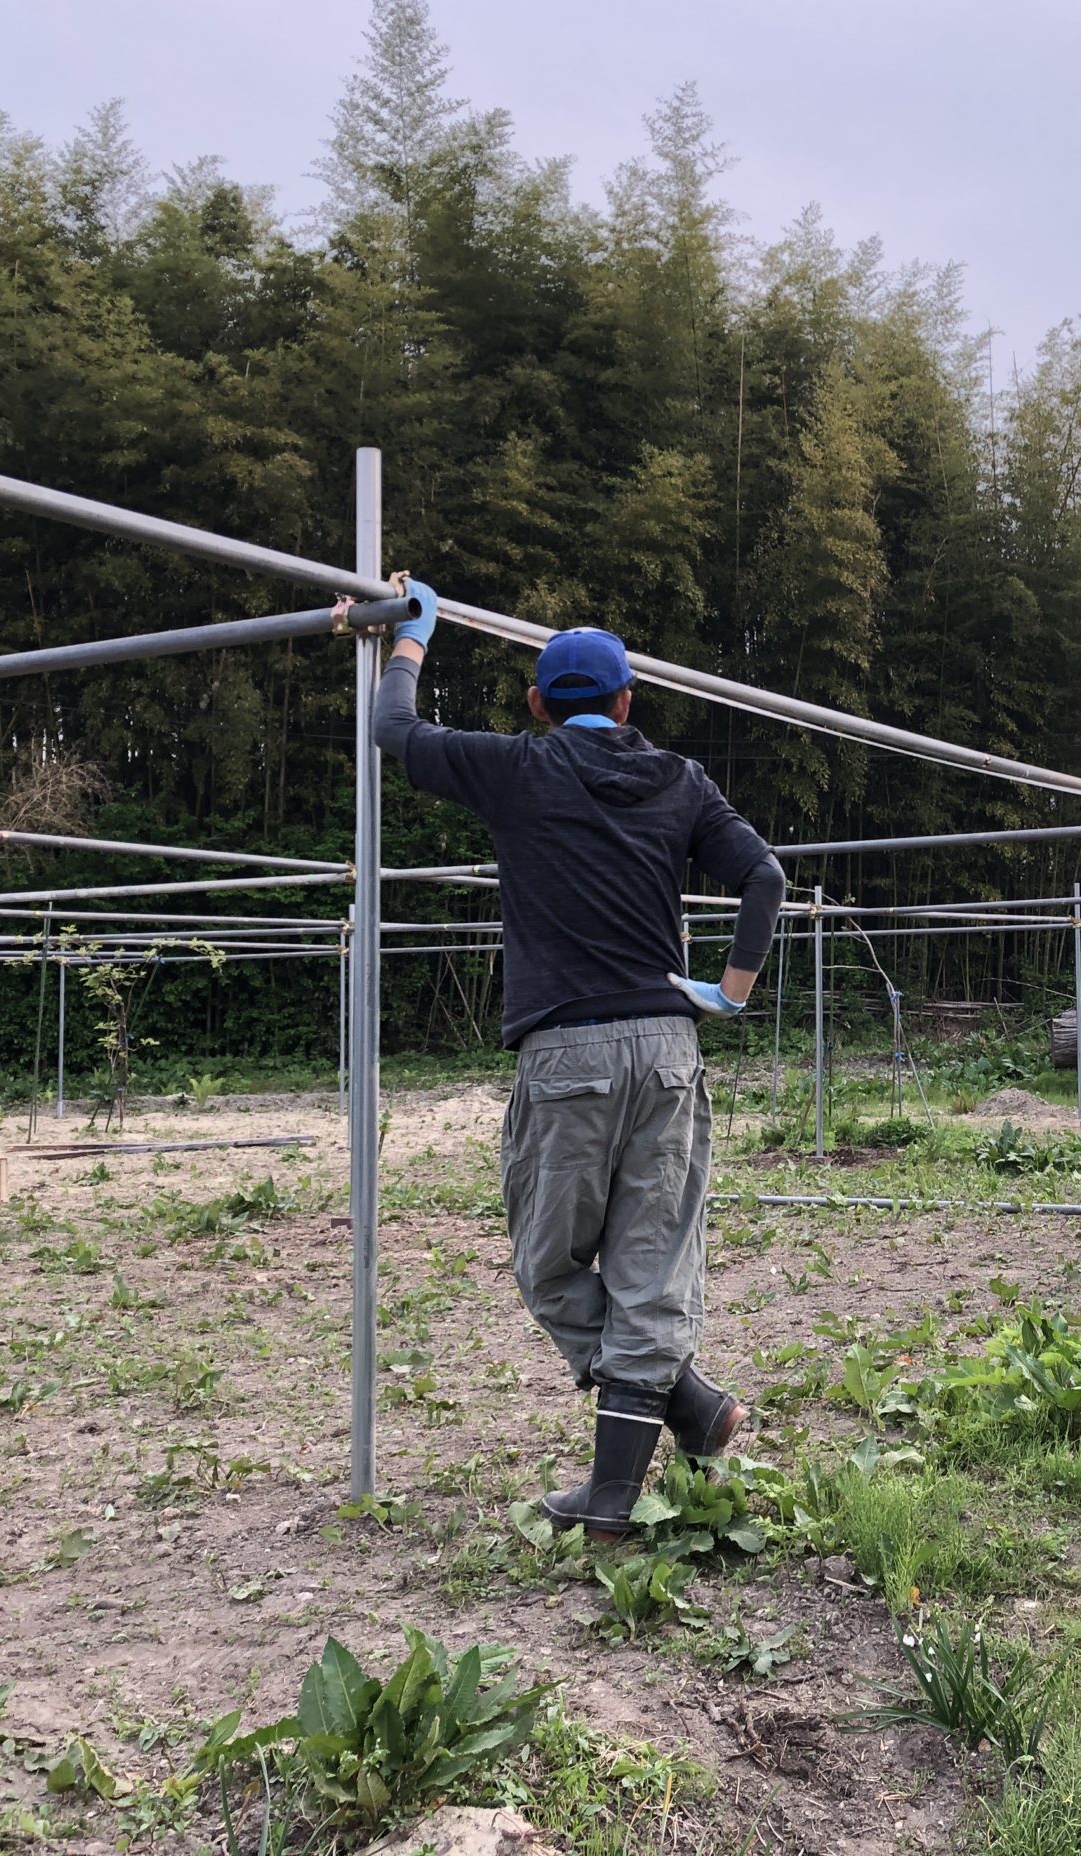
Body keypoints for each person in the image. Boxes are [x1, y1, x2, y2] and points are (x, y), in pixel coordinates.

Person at [369, 579, 788, 1537]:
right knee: (649, 1266)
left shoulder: (521, 768)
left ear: (536, 705)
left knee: (550, 1264)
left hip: (568, 1053)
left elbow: (395, 734)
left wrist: (410, 643)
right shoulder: (681, 779)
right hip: (668, 1048)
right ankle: (672, 1415)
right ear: (629, 702)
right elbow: (763, 875)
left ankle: (620, 1483)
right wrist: (730, 991)